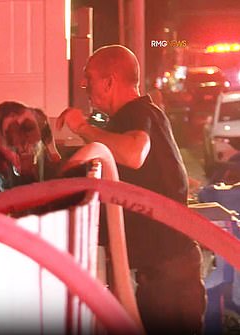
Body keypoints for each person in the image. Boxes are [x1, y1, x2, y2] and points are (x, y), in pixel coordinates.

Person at [57, 45, 205, 334]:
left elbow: (135, 153)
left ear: (110, 81)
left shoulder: (138, 112)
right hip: (164, 272)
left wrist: (83, 127)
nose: (83, 84)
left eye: (89, 77)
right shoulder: (132, 118)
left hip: (169, 276)